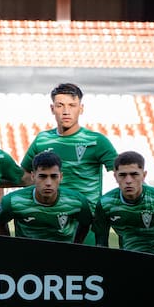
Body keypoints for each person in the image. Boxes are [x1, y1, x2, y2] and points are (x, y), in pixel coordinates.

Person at [20, 83, 118, 244]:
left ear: (81, 108)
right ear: (52, 109)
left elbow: (122, 172)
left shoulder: (96, 141)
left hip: (86, 221)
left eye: (72, 105)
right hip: (48, 220)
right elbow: (24, 176)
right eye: (60, 105)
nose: (66, 111)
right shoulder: (42, 139)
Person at [91, 151, 154, 259]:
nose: (128, 181)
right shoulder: (105, 204)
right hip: (130, 263)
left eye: (134, 174)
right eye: (122, 175)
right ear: (115, 176)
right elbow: (101, 240)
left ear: (144, 175)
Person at [0, 151, 92, 243]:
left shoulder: (78, 202)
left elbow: (85, 224)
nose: (48, 183)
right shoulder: (12, 201)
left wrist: (76, 245)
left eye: (54, 176)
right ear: (33, 176)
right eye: (42, 176)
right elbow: (0, 222)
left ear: (61, 177)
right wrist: (8, 247)